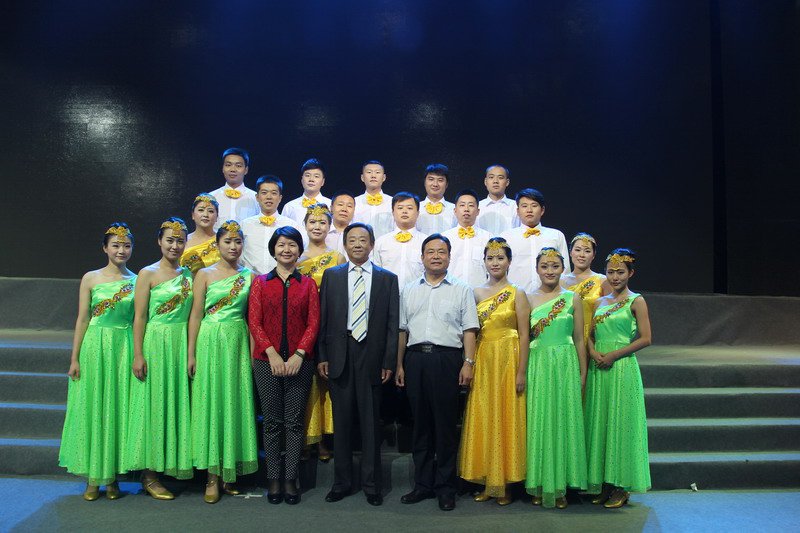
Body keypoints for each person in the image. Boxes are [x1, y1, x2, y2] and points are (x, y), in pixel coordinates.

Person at [318, 223, 400, 507]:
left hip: (372, 356)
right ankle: (341, 483)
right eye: (351, 240)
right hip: (339, 354)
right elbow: (323, 319)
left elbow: (392, 323)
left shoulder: (387, 279)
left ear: (371, 244)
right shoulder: (332, 276)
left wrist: (388, 360)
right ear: (344, 244)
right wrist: (323, 355)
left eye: (363, 240)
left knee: (370, 425)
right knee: (341, 424)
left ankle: (372, 485)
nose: (357, 244)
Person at [395, 234, 479, 511]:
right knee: (419, 425)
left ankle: (445, 487)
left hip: (447, 360)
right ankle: (422, 485)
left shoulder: (462, 289)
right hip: (415, 359)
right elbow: (402, 331)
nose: (435, 256)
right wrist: (399, 364)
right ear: (422, 257)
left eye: (441, 252)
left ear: (449, 257)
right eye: (430, 252)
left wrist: (468, 362)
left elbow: (469, 330)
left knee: (445, 426)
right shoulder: (409, 289)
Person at [59, 223, 137, 501]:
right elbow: (82, 318)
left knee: (117, 409)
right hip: (94, 347)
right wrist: (75, 357)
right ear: (105, 248)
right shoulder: (90, 278)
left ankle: (112, 477)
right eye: (115, 245)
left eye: (126, 245)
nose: (121, 250)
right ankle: (93, 477)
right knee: (94, 408)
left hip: (123, 347)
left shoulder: (138, 280)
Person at [188, 221, 258, 504]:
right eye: (227, 241)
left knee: (234, 403)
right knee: (212, 404)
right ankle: (211, 476)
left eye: (238, 242)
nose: (233, 246)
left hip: (237, 341)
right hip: (209, 341)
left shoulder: (249, 276)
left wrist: (253, 355)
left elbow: (252, 319)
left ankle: (230, 472)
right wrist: (191, 353)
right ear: (217, 245)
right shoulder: (204, 274)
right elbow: (195, 315)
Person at [249, 226, 320, 505]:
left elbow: (313, 323)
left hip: (300, 363)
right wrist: (273, 355)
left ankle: (290, 478)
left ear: (299, 250)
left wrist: (299, 355)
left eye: (292, 245)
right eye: (281, 244)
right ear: (273, 249)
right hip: (266, 362)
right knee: (272, 422)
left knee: (293, 421)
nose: (286, 249)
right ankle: (273, 478)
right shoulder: (260, 283)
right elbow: (254, 322)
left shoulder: (308, 284)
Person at [458, 238, 529, 505]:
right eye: (490, 258)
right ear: (484, 262)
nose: (495, 263)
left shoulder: (517, 293)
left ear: (509, 261)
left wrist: (522, 371)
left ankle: (506, 482)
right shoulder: (475, 292)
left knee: (506, 416)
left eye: (500, 258)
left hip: (509, 358)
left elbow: (525, 334)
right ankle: (489, 479)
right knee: (485, 415)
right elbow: (471, 331)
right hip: (484, 358)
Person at [127, 218, 193, 500]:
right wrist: (138, 353)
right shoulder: (147, 273)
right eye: (170, 240)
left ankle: (170, 465)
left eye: (180, 241)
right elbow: (139, 316)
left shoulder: (189, 274)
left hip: (180, 343)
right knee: (154, 406)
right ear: (159, 241)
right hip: (156, 343)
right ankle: (149, 474)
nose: (175, 246)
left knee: (175, 404)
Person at [585, 249, 652, 508]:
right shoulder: (599, 302)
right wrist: (593, 352)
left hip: (622, 367)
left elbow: (646, 338)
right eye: (611, 272)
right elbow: (589, 335)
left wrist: (614, 354)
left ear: (630, 273)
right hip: (599, 367)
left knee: (620, 424)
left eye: (620, 272)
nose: (615, 277)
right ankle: (604, 483)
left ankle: (621, 486)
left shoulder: (636, 301)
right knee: (601, 423)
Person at [525, 248, 588, 509]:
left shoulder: (573, 298)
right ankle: (540, 482)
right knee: (540, 421)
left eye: (554, 266)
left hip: (565, 364)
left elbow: (580, 338)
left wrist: (582, 372)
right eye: (544, 266)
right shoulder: (528, 298)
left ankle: (560, 485)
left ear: (563, 268)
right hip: (538, 364)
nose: (549, 271)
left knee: (563, 420)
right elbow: (524, 338)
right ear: (537, 269)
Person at [297, 204, 346, 461]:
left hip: (329, 326)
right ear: (305, 225)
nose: (317, 227)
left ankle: (324, 439)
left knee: (326, 383)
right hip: (302, 326)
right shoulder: (296, 258)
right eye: (312, 222)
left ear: (330, 226)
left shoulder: (338, 258)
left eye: (322, 223)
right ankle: (305, 438)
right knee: (305, 384)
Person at [500, 188, 569, 292]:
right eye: (524, 206)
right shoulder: (506, 237)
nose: (529, 210)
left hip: (550, 296)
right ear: (518, 211)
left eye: (534, 205)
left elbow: (565, 271)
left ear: (542, 210)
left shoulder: (556, 235)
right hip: (515, 296)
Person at [241, 175, 300, 275]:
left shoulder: (291, 225)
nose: (269, 197)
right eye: (264, 193)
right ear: (257, 197)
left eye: (274, 193)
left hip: (281, 279)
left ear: (280, 198)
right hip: (251, 279)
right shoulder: (245, 225)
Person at [560, 233, 610, 345]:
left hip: (593, 338)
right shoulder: (560, 281)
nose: (582, 255)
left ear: (593, 255)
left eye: (587, 251)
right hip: (565, 339)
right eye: (577, 250)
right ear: (570, 252)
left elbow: (609, 315)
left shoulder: (603, 281)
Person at [372, 192, 427, 289]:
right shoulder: (381, 242)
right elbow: (376, 273)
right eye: (400, 208)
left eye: (409, 208)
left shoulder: (426, 242)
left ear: (418, 213)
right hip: (387, 294)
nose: (404, 211)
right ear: (393, 213)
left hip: (417, 293)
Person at [442, 189, 492, 288]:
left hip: (479, 292)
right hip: (450, 290)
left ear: (478, 211)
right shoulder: (444, 238)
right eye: (462, 205)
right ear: (455, 211)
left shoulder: (488, 238)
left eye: (471, 205)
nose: (466, 209)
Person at [210, 147, 259, 230]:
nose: (233, 169)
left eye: (238, 166)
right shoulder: (212, 197)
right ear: (222, 168)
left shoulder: (256, 198)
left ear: (246, 170)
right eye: (228, 165)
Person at [281, 158, 332, 224]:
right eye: (307, 175)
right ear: (302, 180)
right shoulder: (290, 207)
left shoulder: (330, 205)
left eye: (316, 176)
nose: (311, 179)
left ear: (323, 181)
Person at [181, 194, 221, 275]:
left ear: (217, 216)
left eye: (210, 211)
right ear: (193, 215)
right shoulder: (182, 241)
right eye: (201, 210)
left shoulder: (222, 241)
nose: (205, 215)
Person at [353, 160, 394, 238]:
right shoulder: (354, 202)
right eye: (369, 172)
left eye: (377, 172)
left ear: (384, 177)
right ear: (362, 177)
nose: (373, 176)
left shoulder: (392, 202)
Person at [476, 165, 519, 235]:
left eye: (500, 178)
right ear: (485, 182)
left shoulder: (516, 207)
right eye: (491, 177)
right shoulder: (477, 207)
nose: (495, 181)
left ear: (507, 182)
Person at [416, 163, 457, 235]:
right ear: (425, 182)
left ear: (446, 184)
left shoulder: (455, 210)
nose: (435, 184)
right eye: (431, 179)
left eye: (440, 180)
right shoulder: (415, 208)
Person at [325, 191, 356, 256]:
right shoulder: (322, 232)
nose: (344, 209)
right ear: (331, 208)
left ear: (354, 210)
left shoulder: (358, 234)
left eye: (349, 206)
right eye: (340, 204)